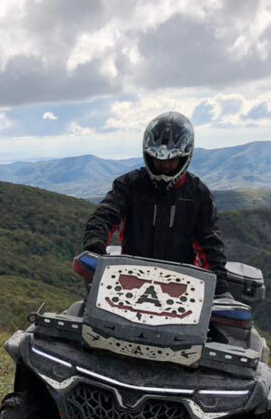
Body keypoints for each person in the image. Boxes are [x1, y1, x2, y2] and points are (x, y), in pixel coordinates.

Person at [82, 111, 230, 294]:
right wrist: (94, 249)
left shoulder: (198, 193)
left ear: (185, 157)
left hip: (179, 285)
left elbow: (210, 242)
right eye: (158, 159)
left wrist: (221, 290)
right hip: (129, 279)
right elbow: (104, 216)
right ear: (148, 155)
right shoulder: (129, 185)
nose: (164, 165)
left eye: (172, 159)